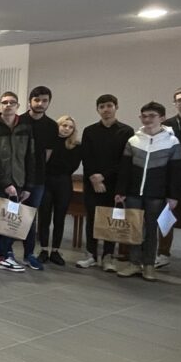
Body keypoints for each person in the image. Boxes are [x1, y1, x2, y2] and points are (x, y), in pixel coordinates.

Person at [113, 101, 181, 281]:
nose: (147, 119)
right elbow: (125, 169)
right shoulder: (133, 140)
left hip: (156, 194)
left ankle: (149, 265)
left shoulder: (172, 142)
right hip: (134, 192)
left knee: (151, 229)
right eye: (144, 116)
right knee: (134, 228)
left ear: (162, 118)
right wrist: (120, 190)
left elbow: (175, 172)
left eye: (152, 116)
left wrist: (173, 196)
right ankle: (134, 263)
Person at [76, 94, 134, 271]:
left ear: (116, 107)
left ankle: (108, 256)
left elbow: (124, 161)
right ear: (97, 110)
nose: (106, 110)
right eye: (102, 106)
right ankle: (91, 254)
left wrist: (104, 177)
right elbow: (87, 157)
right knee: (92, 219)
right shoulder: (90, 130)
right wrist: (94, 177)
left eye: (109, 106)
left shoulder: (126, 131)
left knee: (110, 220)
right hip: (92, 183)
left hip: (114, 184)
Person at [0, 91, 36, 274]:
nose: (8, 105)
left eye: (12, 102)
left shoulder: (26, 128)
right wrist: (5, 183)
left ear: (18, 106)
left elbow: (31, 157)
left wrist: (28, 186)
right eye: (4, 102)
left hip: (19, 182)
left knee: (10, 221)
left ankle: (3, 256)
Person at [17, 86, 58, 270]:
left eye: (44, 100)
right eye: (37, 100)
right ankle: (5, 253)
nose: (40, 104)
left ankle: (28, 254)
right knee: (11, 214)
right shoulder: (19, 121)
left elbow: (47, 154)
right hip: (17, 176)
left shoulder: (51, 126)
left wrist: (36, 172)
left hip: (38, 179)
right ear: (30, 101)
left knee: (30, 217)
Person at [37, 115, 82, 266]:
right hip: (46, 182)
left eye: (70, 127)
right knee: (44, 217)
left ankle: (55, 251)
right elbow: (43, 163)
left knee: (59, 218)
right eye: (64, 125)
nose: (67, 129)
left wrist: (55, 166)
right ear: (58, 125)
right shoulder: (49, 142)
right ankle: (43, 249)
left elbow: (71, 166)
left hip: (63, 183)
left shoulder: (75, 145)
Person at [155, 86, 181, 268]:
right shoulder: (168, 126)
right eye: (179, 100)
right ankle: (163, 253)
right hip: (172, 178)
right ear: (175, 103)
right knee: (167, 216)